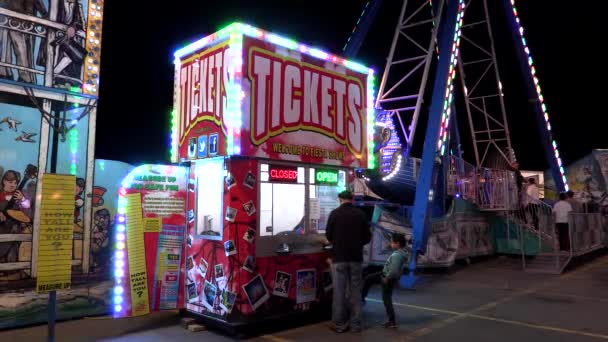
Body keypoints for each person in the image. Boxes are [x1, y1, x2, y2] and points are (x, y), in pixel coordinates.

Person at [326, 190, 371, 333]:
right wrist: (356, 243)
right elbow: (367, 237)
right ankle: (356, 325)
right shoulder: (361, 214)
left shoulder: (334, 214)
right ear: (352, 199)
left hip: (339, 258)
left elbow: (329, 235)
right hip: (356, 258)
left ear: (340, 199)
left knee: (339, 292)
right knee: (356, 292)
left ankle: (339, 325)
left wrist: (338, 241)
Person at [361, 233, 409, 329]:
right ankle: (362, 297)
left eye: (392, 242)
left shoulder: (397, 255)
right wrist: (391, 246)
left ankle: (392, 321)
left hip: (387, 277)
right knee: (369, 279)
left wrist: (387, 278)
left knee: (386, 299)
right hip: (386, 275)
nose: (390, 244)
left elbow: (394, 270)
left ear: (398, 243)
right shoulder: (401, 252)